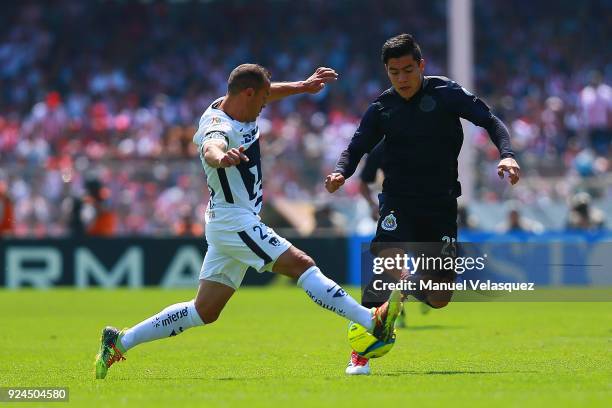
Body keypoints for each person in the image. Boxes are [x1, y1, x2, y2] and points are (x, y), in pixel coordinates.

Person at [94, 64, 403, 379]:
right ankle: (371, 320)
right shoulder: (218, 125)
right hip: (234, 220)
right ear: (248, 94)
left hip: (229, 220)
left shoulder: (235, 102)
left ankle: (120, 340)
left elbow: (266, 92)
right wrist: (220, 157)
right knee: (301, 264)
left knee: (205, 311)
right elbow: (211, 144)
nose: (265, 106)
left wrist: (302, 86)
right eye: (263, 100)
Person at [325, 34, 521, 375]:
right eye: (394, 72)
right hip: (399, 200)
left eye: (408, 70)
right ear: (386, 72)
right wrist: (341, 172)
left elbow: (489, 119)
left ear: (421, 66)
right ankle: (360, 353)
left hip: (442, 204)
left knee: (440, 298)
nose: (402, 79)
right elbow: (356, 147)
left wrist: (507, 155)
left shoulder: (446, 93)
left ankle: (407, 284)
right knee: (386, 265)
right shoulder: (382, 108)